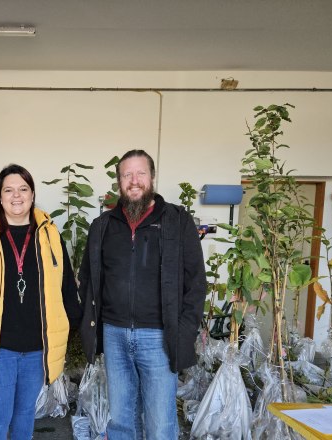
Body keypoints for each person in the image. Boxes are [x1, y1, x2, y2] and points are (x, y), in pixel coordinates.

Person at [78, 149, 206, 439]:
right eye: (127, 175)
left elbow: (196, 281)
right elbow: (87, 279)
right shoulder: (102, 227)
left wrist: (183, 331)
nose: (134, 180)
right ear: (118, 181)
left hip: (159, 337)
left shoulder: (177, 220)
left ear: (152, 177)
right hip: (114, 335)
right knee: (121, 422)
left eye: (140, 173)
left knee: (160, 426)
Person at [0, 164, 82, 440]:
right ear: (0, 197)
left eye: (23, 189)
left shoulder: (49, 236)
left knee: (25, 417)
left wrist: (70, 324)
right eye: (9, 190)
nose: (16, 196)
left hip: (37, 349)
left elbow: (67, 286)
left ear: (32, 195)